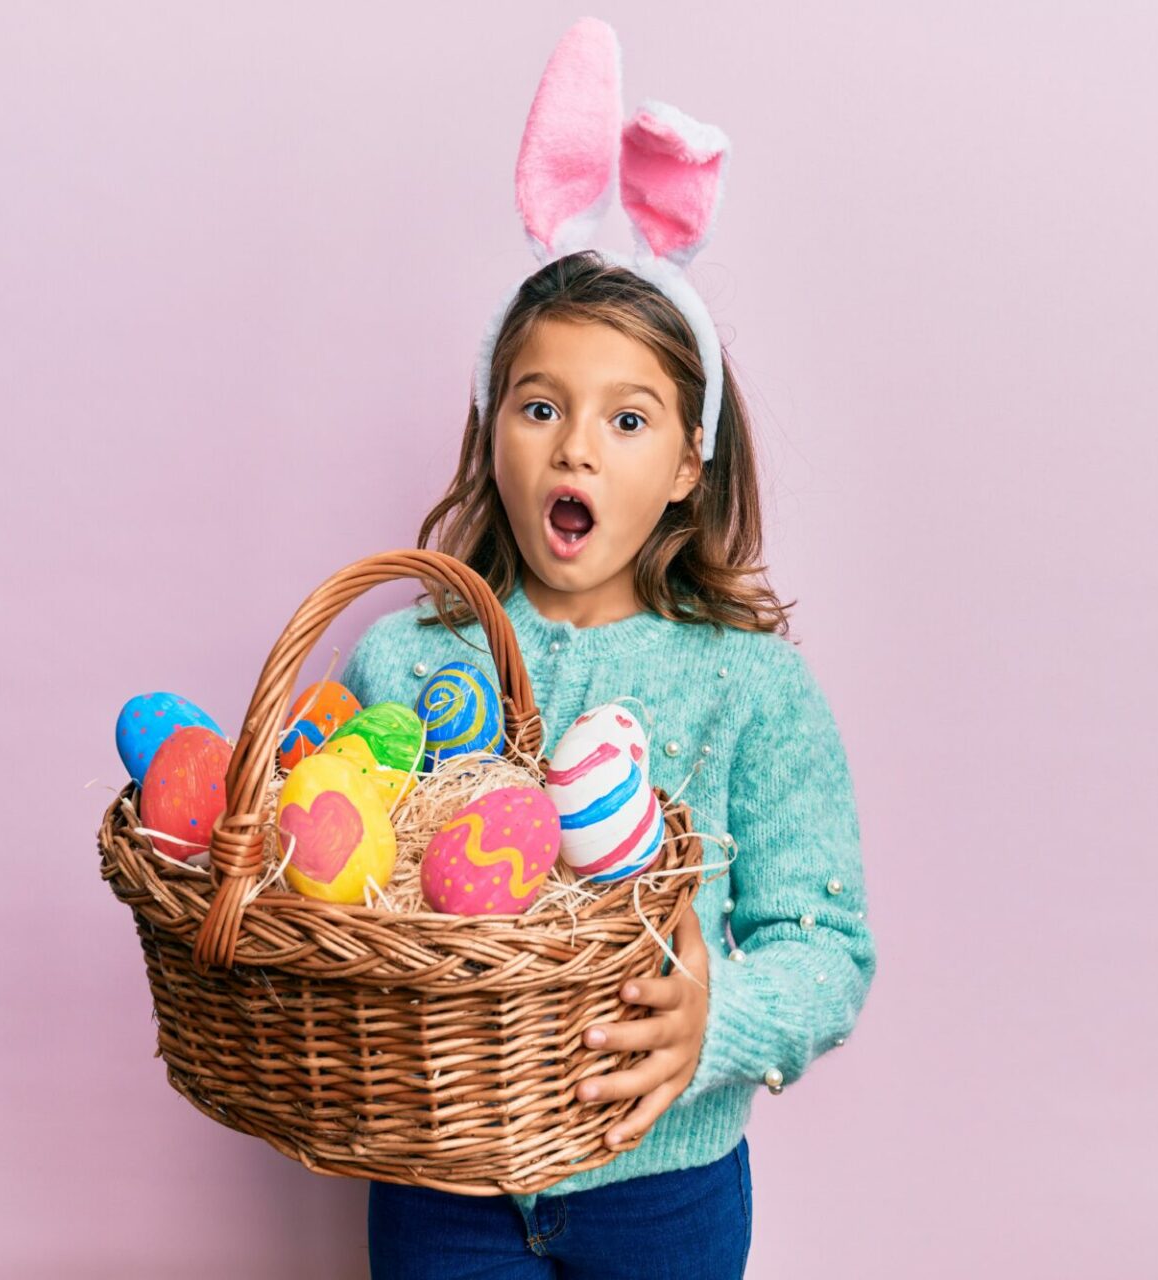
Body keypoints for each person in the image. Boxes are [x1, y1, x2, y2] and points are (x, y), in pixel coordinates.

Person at [337, 20, 876, 1279]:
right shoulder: (405, 658)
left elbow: (826, 944)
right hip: (445, 1179)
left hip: (668, 1185)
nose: (577, 446)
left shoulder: (754, 686)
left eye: (627, 418)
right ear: (495, 432)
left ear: (687, 464)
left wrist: (716, 1020)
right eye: (541, 406)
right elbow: (349, 889)